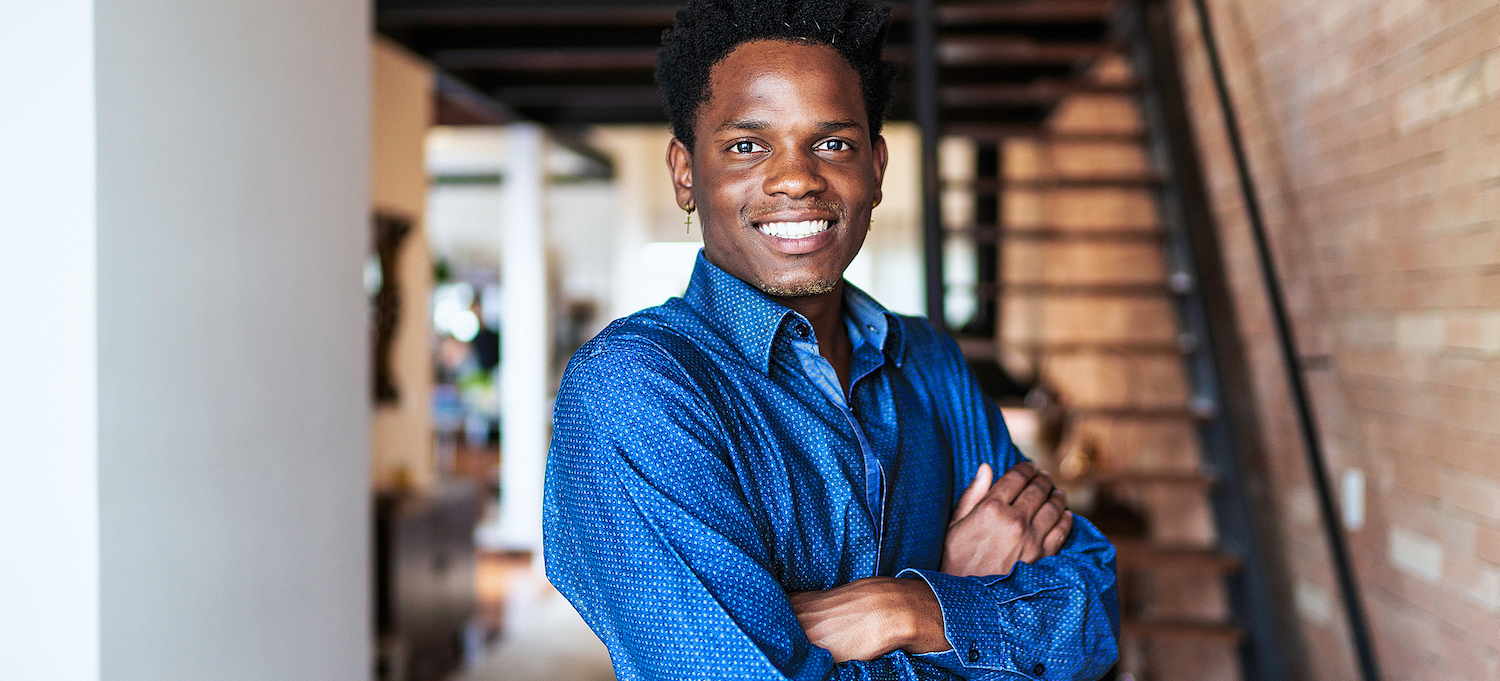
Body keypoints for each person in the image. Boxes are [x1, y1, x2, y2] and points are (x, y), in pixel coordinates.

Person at [543, 0, 1120, 678]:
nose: (796, 178)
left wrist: (905, 606)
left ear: (875, 168)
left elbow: (1095, 612)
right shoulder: (635, 389)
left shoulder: (929, 361)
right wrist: (961, 602)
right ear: (685, 173)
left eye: (832, 142)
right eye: (747, 145)